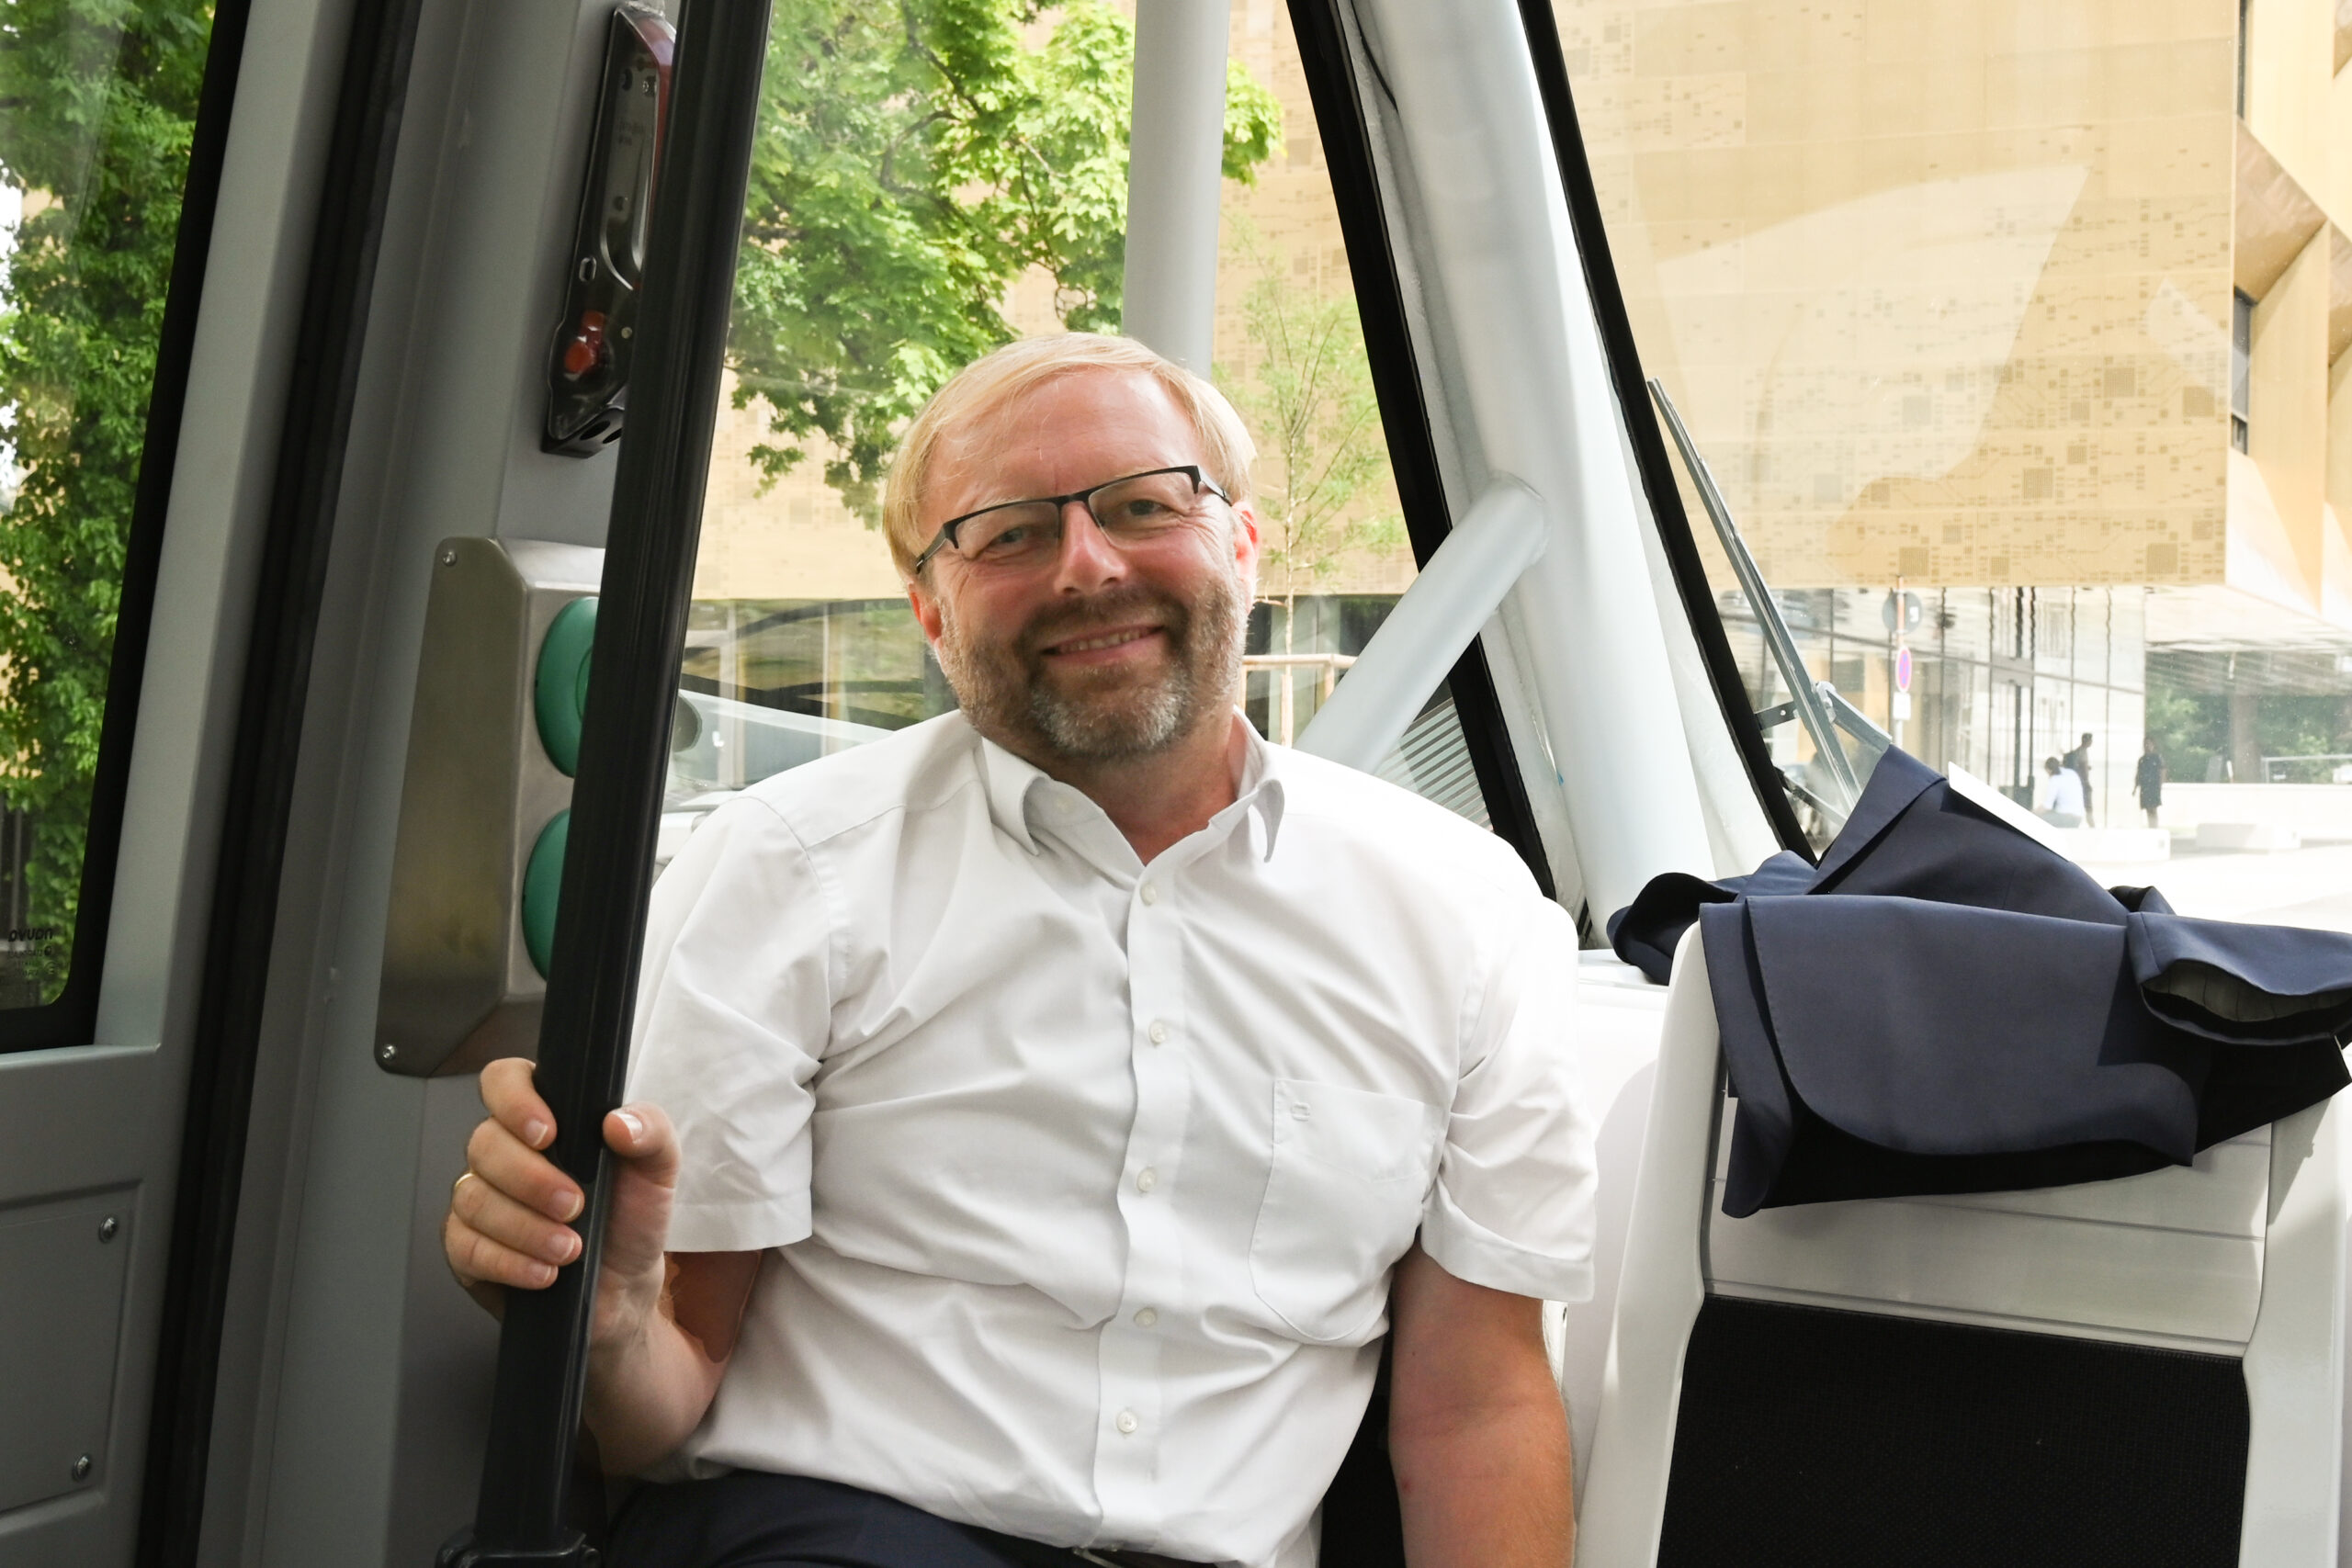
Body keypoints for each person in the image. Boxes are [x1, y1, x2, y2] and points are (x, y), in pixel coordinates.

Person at [441, 333, 1596, 1568]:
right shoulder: (790, 870)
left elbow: (1476, 1404)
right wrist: (605, 1324)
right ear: (932, 611)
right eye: (1010, 533)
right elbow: (662, 1398)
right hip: (836, 1533)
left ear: (1244, 548)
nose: (1089, 567)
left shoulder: (1464, 911)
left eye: (1145, 505)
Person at [2036, 754, 2085, 828]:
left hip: (2066, 818)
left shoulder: (2054, 779)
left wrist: (2031, 813)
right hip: (2078, 817)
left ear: (2049, 770)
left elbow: (2047, 806)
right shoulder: (2071, 773)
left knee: (2037, 820)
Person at [2063, 731, 2095, 827]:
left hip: (2077, 782)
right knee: (2088, 804)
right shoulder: (2082, 752)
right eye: (2091, 740)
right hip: (2082, 782)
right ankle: (2091, 824)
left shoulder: (2078, 751)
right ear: (2087, 740)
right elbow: (2083, 768)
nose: (2092, 742)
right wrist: (2087, 782)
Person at [2134, 737, 2165, 828]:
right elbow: (2139, 773)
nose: (2147, 746)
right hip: (2145, 786)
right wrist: (2135, 787)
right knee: (2148, 807)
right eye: (2145, 744)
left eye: (2149, 744)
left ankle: (2155, 826)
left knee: (2153, 807)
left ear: (2153, 745)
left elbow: (2162, 770)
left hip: (2154, 786)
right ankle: (2151, 826)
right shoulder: (2142, 760)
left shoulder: (2157, 758)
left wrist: (2160, 784)